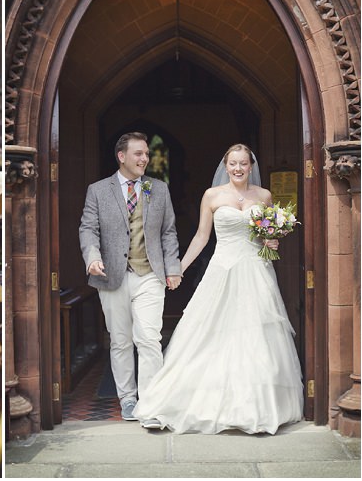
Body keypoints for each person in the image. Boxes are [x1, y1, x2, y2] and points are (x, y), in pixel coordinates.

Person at [133, 144, 304, 434]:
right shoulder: (212, 196)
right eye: (233, 164)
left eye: (243, 164)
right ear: (225, 166)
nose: (238, 169)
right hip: (222, 270)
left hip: (255, 271)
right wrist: (178, 268)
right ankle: (188, 403)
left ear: (251, 166)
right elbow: (201, 237)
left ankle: (256, 408)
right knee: (208, 333)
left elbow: (266, 237)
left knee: (256, 336)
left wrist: (271, 241)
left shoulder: (264, 196)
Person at [79, 132, 182, 422]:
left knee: (149, 338)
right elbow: (88, 228)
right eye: (138, 154)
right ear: (121, 156)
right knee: (121, 341)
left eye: (147, 154)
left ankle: (150, 402)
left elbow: (168, 231)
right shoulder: (98, 190)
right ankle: (127, 398)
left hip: (150, 273)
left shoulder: (157, 189)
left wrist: (172, 267)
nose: (145, 159)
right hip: (112, 275)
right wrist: (92, 257)